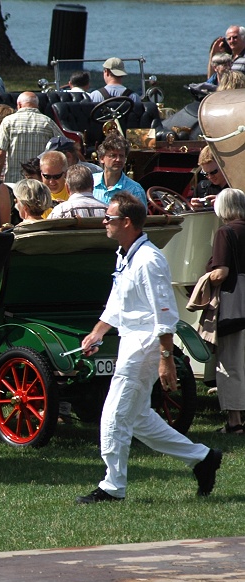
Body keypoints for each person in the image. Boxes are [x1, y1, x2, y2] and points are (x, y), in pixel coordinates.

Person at [77, 191, 222, 503]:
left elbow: (165, 313)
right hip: (132, 342)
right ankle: (203, 457)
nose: (104, 222)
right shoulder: (125, 254)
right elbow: (118, 304)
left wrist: (166, 358)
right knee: (139, 418)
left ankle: (112, 487)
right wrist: (97, 333)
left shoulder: (148, 260)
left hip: (145, 345)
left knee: (114, 416)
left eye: (109, 218)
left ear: (127, 222)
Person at [205, 188, 245, 434]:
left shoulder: (226, 232)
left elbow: (221, 273)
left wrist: (202, 280)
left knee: (231, 362)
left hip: (235, 304)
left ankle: (234, 422)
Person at [0, 92, 66, 184]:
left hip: (14, 180)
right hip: (39, 180)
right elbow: (64, 146)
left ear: (19, 105)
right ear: (37, 105)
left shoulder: (8, 122)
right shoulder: (47, 122)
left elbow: (0, 154)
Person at [92, 135, 147, 206]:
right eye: (113, 155)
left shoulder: (135, 190)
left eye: (121, 156)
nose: (118, 160)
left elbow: (140, 217)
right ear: (102, 158)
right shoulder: (90, 182)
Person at [192, 145, 229, 209]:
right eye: (205, 173)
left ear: (224, 167)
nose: (210, 177)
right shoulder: (202, 187)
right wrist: (193, 208)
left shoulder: (238, 186)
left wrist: (226, 202)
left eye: (213, 172)